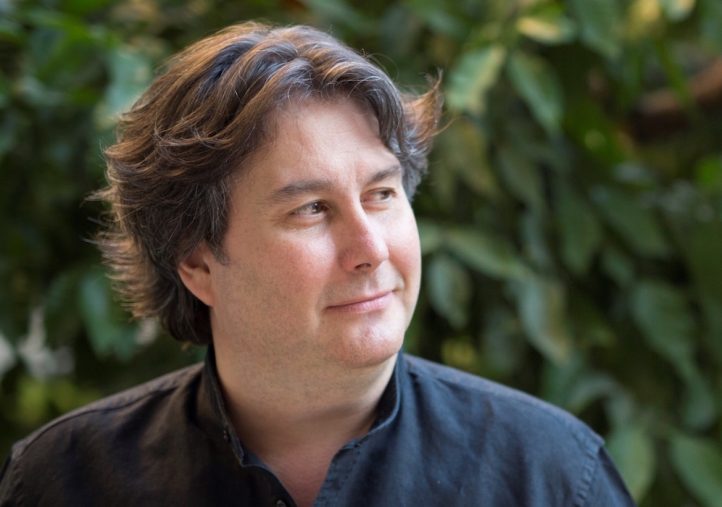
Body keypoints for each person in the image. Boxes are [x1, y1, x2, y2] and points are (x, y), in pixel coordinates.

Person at [0, 22, 635, 506]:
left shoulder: (552, 476)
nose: (372, 249)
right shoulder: (63, 481)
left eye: (381, 195)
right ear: (196, 264)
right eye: (310, 210)